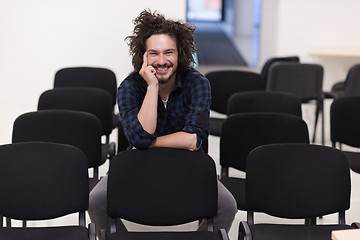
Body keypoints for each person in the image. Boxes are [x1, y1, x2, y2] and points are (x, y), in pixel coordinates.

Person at [88, 9, 237, 234]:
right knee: (96, 200)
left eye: (169, 52)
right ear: (143, 56)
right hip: (139, 164)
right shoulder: (130, 87)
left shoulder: (197, 83)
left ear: (180, 54)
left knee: (227, 205)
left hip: (187, 165)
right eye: (153, 53)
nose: (161, 61)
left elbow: (193, 140)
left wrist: (149, 142)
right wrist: (152, 87)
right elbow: (138, 137)